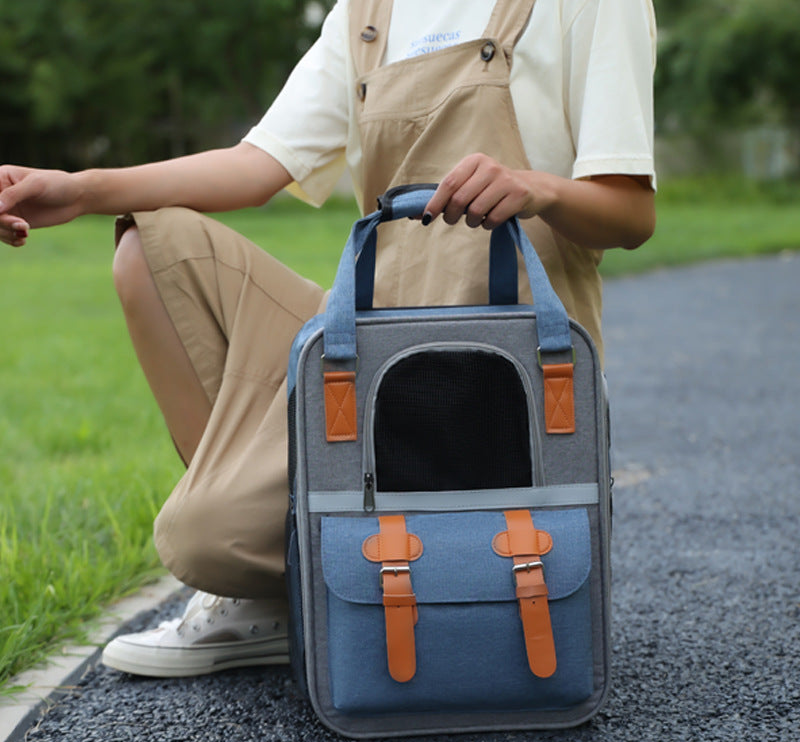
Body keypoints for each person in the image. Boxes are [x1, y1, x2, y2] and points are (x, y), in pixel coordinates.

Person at [0, 0, 656, 677]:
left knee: (200, 535)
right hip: (367, 366)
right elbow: (257, 165)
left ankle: (321, 570)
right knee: (154, 247)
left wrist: (537, 189)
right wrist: (80, 191)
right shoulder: (368, 13)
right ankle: (272, 602)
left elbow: (631, 214)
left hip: (501, 385)